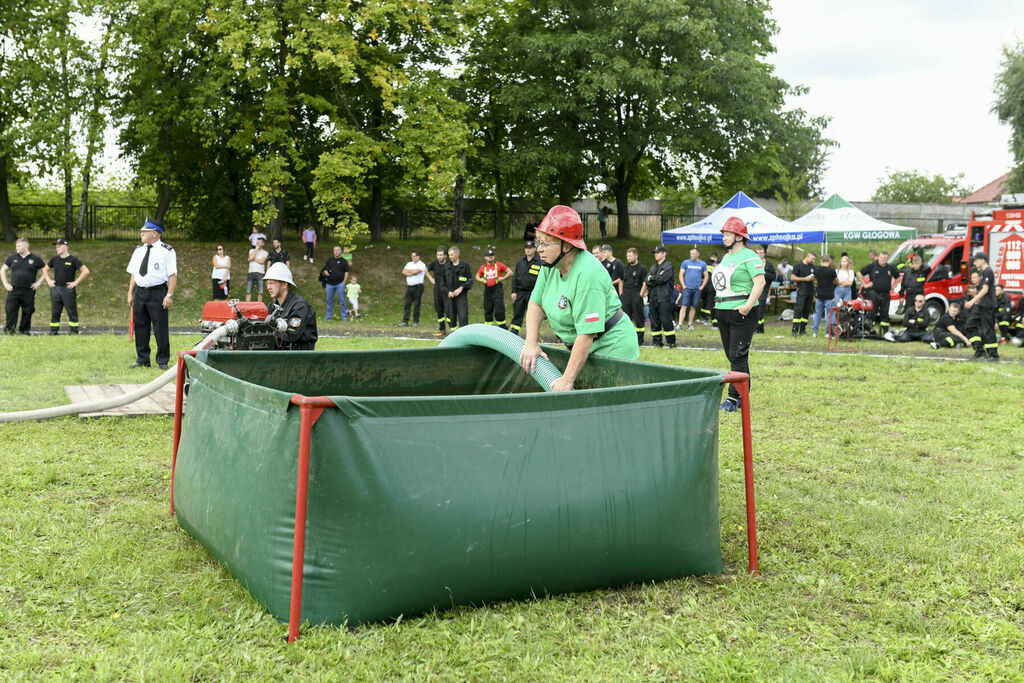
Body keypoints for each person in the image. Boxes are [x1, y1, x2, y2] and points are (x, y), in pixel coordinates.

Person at [519, 205, 638, 392]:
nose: (539, 249)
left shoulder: (587, 275)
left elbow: (587, 334)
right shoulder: (549, 265)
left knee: (606, 408)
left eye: (545, 243)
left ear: (566, 246)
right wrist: (531, 343)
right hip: (582, 347)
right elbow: (536, 303)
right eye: (538, 242)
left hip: (611, 345)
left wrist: (566, 379)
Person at [713, 217, 766, 412]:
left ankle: (734, 399)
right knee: (733, 355)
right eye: (724, 234)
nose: (725, 237)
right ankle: (744, 394)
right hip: (724, 311)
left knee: (737, 354)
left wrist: (747, 306)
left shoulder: (750, 256)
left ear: (738, 236)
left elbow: (760, 282)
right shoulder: (727, 257)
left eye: (728, 234)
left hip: (742, 313)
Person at [126, 218, 177, 369]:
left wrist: (169, 295)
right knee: (140, 326)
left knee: (160, 327)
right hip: (140, 293)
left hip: (158, 292)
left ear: (154, 233)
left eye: (145, 231)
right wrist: (130, 293)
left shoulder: (167, 251)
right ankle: (142, 359)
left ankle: (162, 360)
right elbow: (134, 274)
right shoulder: (139, 250)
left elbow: (172, 275)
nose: (141, 233)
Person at [263, 262, 317, 350]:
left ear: (284, 284)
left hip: (298, 357)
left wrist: (265, 334)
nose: (268, 287)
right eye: (267, 284)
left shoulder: (300, 306)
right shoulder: (272, 306)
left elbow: (291, 335)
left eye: (271, 283)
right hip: (280, 355)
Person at [43, 238, 90, 335]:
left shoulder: (73, 259)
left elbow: (86, 271)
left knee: (72, 312)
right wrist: (48, 280)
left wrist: (75, 282)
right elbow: (44, 270)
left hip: (68, 290)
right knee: (55, 312)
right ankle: (53, 332)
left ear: (65, 246)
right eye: (56, 247)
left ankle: (74, 332)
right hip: (56, 290)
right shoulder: (54, 259)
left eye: (59, 246)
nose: (57, 249)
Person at [2, 238, 46, 335]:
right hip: (14, 289)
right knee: (10, 310)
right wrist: (5, 284)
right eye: (16, 246)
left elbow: (45, 271)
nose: (16, 248)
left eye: (18, 246)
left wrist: (38, 283)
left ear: (25, 246)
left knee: (28, 311)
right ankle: (10, 330)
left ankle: (24, 331)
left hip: (28, 291)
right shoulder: (12, 258)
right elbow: (2, 270)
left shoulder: (35, 259)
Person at [858, 250, 902, 337]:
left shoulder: (890, 268)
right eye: (881, 258)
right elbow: (860, 273)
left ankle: (885, 332)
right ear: (879, 257)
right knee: (872, 314)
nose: (883, 260)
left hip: (886, 294)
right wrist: (864, 284)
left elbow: (898, 276)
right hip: (874, 294)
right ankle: (870, 331)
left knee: (885, 314)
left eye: (885, 258)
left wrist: (894, 286)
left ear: (887, 259)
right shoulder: (873, 266)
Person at [965, 251, 998, 361]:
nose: (974, 263)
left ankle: (993, 354)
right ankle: (979, 350)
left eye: (975, 260)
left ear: (982, 260)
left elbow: (985, 290)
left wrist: (972, 301)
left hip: (988, 305)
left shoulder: (988, 271)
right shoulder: (983, 272)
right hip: (982, 304)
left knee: (988, 329)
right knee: (969, 325)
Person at [646, 245, 676, 348]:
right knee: (654, 321)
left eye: (658, 252)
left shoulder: (668, 266)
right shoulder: (654, 267)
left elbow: (662, 279)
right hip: (653, 298)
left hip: (664, 297)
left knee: (666, 320)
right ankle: (657, 342)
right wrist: (654, 279)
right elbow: (647, 282)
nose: (656, 254)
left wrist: (652, 278)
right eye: (655, 252)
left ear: (664, 253)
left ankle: (671, 342)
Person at [509, 241, 542, 335]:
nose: (528, 250)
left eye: (530, 248)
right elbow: (515, 277)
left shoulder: (539, 262)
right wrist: (514, 291)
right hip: (520, 292)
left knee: (532, 314)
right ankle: (514, 332)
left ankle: (532, 334)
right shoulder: (520, 261)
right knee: (517, 313)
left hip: (533, 293)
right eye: (526, 248)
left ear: (535, 249)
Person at [475, 248, 511, 328]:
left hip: (497, 290)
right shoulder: (483, 267)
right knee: (488, 310)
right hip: (487, 291)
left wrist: (503, 278)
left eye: (492, 255)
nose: (490, 257)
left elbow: (509, 272)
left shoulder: (499, 265)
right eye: (488, 256)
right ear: (485, 257)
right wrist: (482, 280)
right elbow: (477, 276)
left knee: (499, 310)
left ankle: (502, 327)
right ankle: (488, 329)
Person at [621, 248, 648, 345]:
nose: (628, 258)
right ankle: (626, 339)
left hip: (636, 293)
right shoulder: (625, 267)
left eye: (630, 256)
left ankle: (639, 340)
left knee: (638, 318)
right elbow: (621, 281)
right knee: (625, 317)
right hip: (626, 294)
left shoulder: (642, 268)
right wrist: (621, 294)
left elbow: (645, 282)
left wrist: (640, 296)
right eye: (627, 256)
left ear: (636, 256)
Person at [677, 247, 708, 331]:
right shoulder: (685, 262)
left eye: (694, 253)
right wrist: (683, 286)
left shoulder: (703, 264)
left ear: (698, 254)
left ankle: (690, 324)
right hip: (687, 288)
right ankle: (679, 324)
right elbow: (680, 275)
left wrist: (702, 287)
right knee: (684, 306)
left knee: (693, 307)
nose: (692, 255)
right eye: (691, 253)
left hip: (697, 289)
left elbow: (706, 276)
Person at [425, 246, 450, 337]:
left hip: (446, 290)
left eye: (441, 255)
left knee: (448, 310)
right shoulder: (434, 263)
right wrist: (431, 279)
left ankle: (452, 329)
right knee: (439, 309)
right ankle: (442, 330)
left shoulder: (449, 264)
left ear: (445, 256)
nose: (439, 257)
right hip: (437, 289)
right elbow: (426, 270)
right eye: (438, 255)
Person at [790, 252, 816, 336]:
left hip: (810, 290)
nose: (813, 260)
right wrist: (805, 279)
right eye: (812, 259)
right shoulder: (798, 265)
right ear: (808, 256)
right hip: (802, 290)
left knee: (807, 311)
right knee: (799, 310)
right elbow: (792, 277)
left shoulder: (812, 267)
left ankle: (803, 330)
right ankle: (795, 329)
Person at [321, 245, 350, 321]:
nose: (336, 251)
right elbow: (324, 269)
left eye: (338, 250)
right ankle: (328, 317)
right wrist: (326, 272)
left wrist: (344, 282)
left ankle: (344, 318)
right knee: (329, 301)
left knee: (342, 301)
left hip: (340, 284)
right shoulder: (329, 260)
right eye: (335, 250)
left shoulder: (344, 261)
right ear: (333, 251)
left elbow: (347, 272)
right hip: (330, 284)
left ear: (340, 251)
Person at [811, 254, 838, 338]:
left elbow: (814, 280)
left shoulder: (817, 270)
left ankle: (815, 332)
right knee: (830, 314)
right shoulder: (832, 271)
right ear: (829, 261)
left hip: (819, 294)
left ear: (821, 261)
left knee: (817, 313)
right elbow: (836, 281)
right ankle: (828, 333)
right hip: (829, 295)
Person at [446, 245, 472, 330]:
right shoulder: (446, 267)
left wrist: (461, 288)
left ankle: (464, 336)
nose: (450, 257)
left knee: (463, 316)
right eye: (449, 255)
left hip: (461, 296)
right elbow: (442, 282)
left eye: (452, 255)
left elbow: (470, 281)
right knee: (451, 317)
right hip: (450, 296)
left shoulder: (465, 266)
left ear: (457, 254)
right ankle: (453, 335)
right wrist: (448, 292)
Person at [399, 249, 427, 327]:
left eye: (414, 256)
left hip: (418, 286)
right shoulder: (409, 263)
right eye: (412, 256)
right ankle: (405, 321)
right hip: (410, 287)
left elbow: (417, 271)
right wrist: (411, 272)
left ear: (419, 257)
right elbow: (403, 272)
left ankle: (415, 321)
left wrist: (409, 272)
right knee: (407, 304)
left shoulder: (422, 264)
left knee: (417, 304)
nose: (413, 258)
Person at [752, 244, 775, 334]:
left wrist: (764, 272)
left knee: (761, 308)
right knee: (753, 307)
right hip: (753, 288)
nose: (759, 255)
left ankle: (759, 328)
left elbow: (773, 276)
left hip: (764, 288)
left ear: (764, 254)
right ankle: (755, 327)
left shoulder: (769, 265)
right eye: (757, 253)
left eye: (761, 253)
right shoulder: (752, 263)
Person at [246, 237, 268, 303]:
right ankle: (247, 306)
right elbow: (249, 259)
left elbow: (262, 261)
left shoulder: (265, 252)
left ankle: (259, 305)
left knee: (260, 291)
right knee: (248, 291)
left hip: (260, 273)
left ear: (263, 243)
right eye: (257, 242)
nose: (258, 243)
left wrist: (254, 259)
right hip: (251, 272)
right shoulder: (251, 250)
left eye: (259, 242)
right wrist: (256, 249)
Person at [700, 253, 719, 325]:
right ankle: (708, 318)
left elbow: (701, 275)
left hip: (704, 285)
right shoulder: (717, 265)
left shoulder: (704, 263)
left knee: (704, 301)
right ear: (716, 257)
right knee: (710, 302)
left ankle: (703, 317)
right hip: (712, 286)